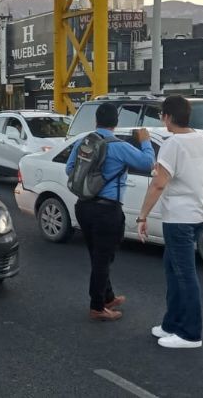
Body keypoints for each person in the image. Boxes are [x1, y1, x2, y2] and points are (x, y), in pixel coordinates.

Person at [137, 96, 203, 349]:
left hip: (179, 218)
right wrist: (202, 202)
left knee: (184, 274)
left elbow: (159, 183)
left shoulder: (173, 144)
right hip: (199, 215)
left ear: (168, 117)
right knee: (173, 269)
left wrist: (142, 215)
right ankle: (171, 324)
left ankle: (191, 334)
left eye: (162, 115)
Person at [65, 103, 155, 322]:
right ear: (116, 122)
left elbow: (69, 169)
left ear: (96, 120)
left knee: (97, 255)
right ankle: (97, 306)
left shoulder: (84, 142)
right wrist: (145, 141)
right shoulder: (118, 146)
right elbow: (148, 162)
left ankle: (108, 297)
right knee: (103, 259)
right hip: (107, 209)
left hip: (83, 206)